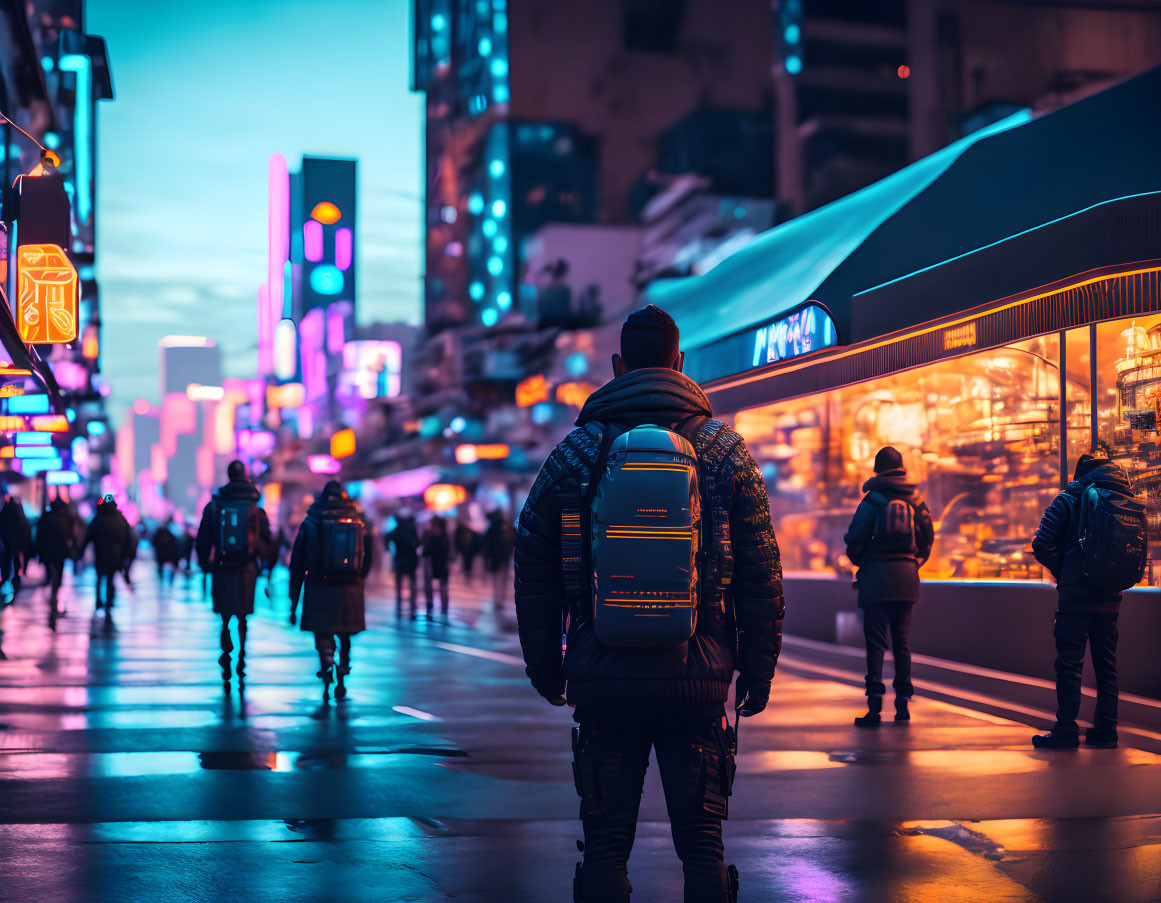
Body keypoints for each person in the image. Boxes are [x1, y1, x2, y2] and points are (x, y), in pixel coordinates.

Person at [515, 304, 783, 903]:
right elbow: (762, 568)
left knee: (606, 845)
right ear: (679, 363)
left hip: (602, 675)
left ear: (617, 366)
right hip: (699, 677)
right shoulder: (724, 449)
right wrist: (757, 669)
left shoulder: (577, 452)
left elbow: (532, 559)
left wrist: (546, 665)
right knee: (703, 844)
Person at [1030, 450, 1142, 750]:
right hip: (1111, 594)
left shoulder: (1070, 497)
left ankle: (1066, 730)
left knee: (1069, 663)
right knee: (1107, 663)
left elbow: (1041, 543)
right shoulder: (1122, 496)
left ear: (1079, 473)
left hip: (1076, 597)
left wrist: (1066, 571)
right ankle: (1107, 729)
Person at [843, 446, 934, 727]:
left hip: (875, 581)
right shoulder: (917, 501)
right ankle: (903, 704)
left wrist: (865, 562)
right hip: (907, 581)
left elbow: (853, 540)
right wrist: (912, 564)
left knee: (876, 646)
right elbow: (927, 541)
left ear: (878, 470)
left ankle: (874, 707)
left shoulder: (872, 502)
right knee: (902, 644)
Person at [288, 481, 374, 701]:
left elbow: (297, 563)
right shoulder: (358, 521)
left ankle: (327, 659)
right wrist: (359, 578)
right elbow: (368, 555)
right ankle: (343, 667)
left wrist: (294, 598)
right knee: (345, 632)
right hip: (349, 589)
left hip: (318, 587)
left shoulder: (311, 521)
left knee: (323, 631)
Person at [196, 461, 272, 691]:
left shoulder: (214, 506)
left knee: (225, 616)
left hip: (222, 567)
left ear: (228, 476)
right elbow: (267, 543)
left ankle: (226, 653)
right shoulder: (256, 509)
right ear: (245, 476)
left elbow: (203, 540)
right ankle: (242, 657)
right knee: (243, 616)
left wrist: (204, 566)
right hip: (247, 569)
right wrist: (265, 566)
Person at [83, 495, 134, 612]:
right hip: (115, 555)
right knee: (111, 578)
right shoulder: (120, 519)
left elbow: (89, 536)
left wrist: (80, 553)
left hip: (100, 553)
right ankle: (109, 601)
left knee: (99, 578)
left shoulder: (98, 518)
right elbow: (127, 538)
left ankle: (99, 601)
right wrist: (127, 555)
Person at [36, 499, 76, 623]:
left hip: (49, 554)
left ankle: (53, 604)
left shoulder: (46, 518)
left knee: (52, 579)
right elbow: (69, 535)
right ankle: (53, 604)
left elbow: (39, 537)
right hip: (58, 554)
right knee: (56, 580)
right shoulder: (62, 519)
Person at [384, 513, 421, 617]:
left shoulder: (396, 530)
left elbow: (387, 537)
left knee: (399, 585)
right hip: (411, 560)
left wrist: (389, 549)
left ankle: (399, 605)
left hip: (399, 559)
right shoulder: (411, 529)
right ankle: (412, 606)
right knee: (412, 584)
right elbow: (418, 543)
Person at [0, 491, 34, 596]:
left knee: (7, 564)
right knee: (14, 563)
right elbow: (24, 531)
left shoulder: (5, 513)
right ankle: (14, 582)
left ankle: (8, 582)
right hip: (14, 545)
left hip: (7, 544)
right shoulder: (18, 513)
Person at [482, 509, 515, 609]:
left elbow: (487, 544)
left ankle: (498, 600)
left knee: (497, 580)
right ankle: (500, 600)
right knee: (502, 580)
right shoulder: (506, 526)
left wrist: (487, 558)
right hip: (503, 557)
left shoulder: (492, 528)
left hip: (496, 558)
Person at [421, 516, 451, 619]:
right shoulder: (444, 535)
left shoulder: (430, 535)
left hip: (433, 564)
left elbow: (425, 550)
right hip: (440, 564)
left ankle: (433, 604)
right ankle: (443, 606)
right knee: (442, 587)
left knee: (434, 587)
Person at [152, 519, 180, 586]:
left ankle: (161, 580)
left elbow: (154, 542)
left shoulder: (160, 532)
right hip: (166, 553)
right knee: (167, 567)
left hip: (161, 553)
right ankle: (168, 581)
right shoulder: (170, 533)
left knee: (160, 567)